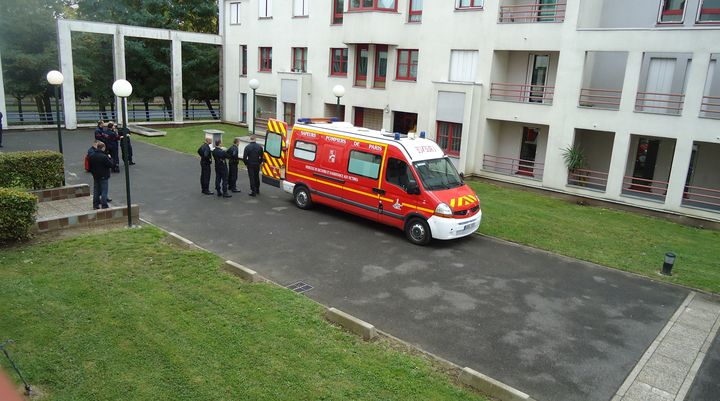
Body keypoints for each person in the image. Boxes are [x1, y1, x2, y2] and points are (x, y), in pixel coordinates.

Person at [88, 142, 114, 209]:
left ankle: (95, 205)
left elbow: (90, 167)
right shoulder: (104, 157)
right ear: (103, 148)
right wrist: (110, 158)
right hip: (104, 175)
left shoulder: (92, 156)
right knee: (104, 190)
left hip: (95, 176)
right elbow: (111, 165)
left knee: (96, 190)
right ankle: (104, 204)